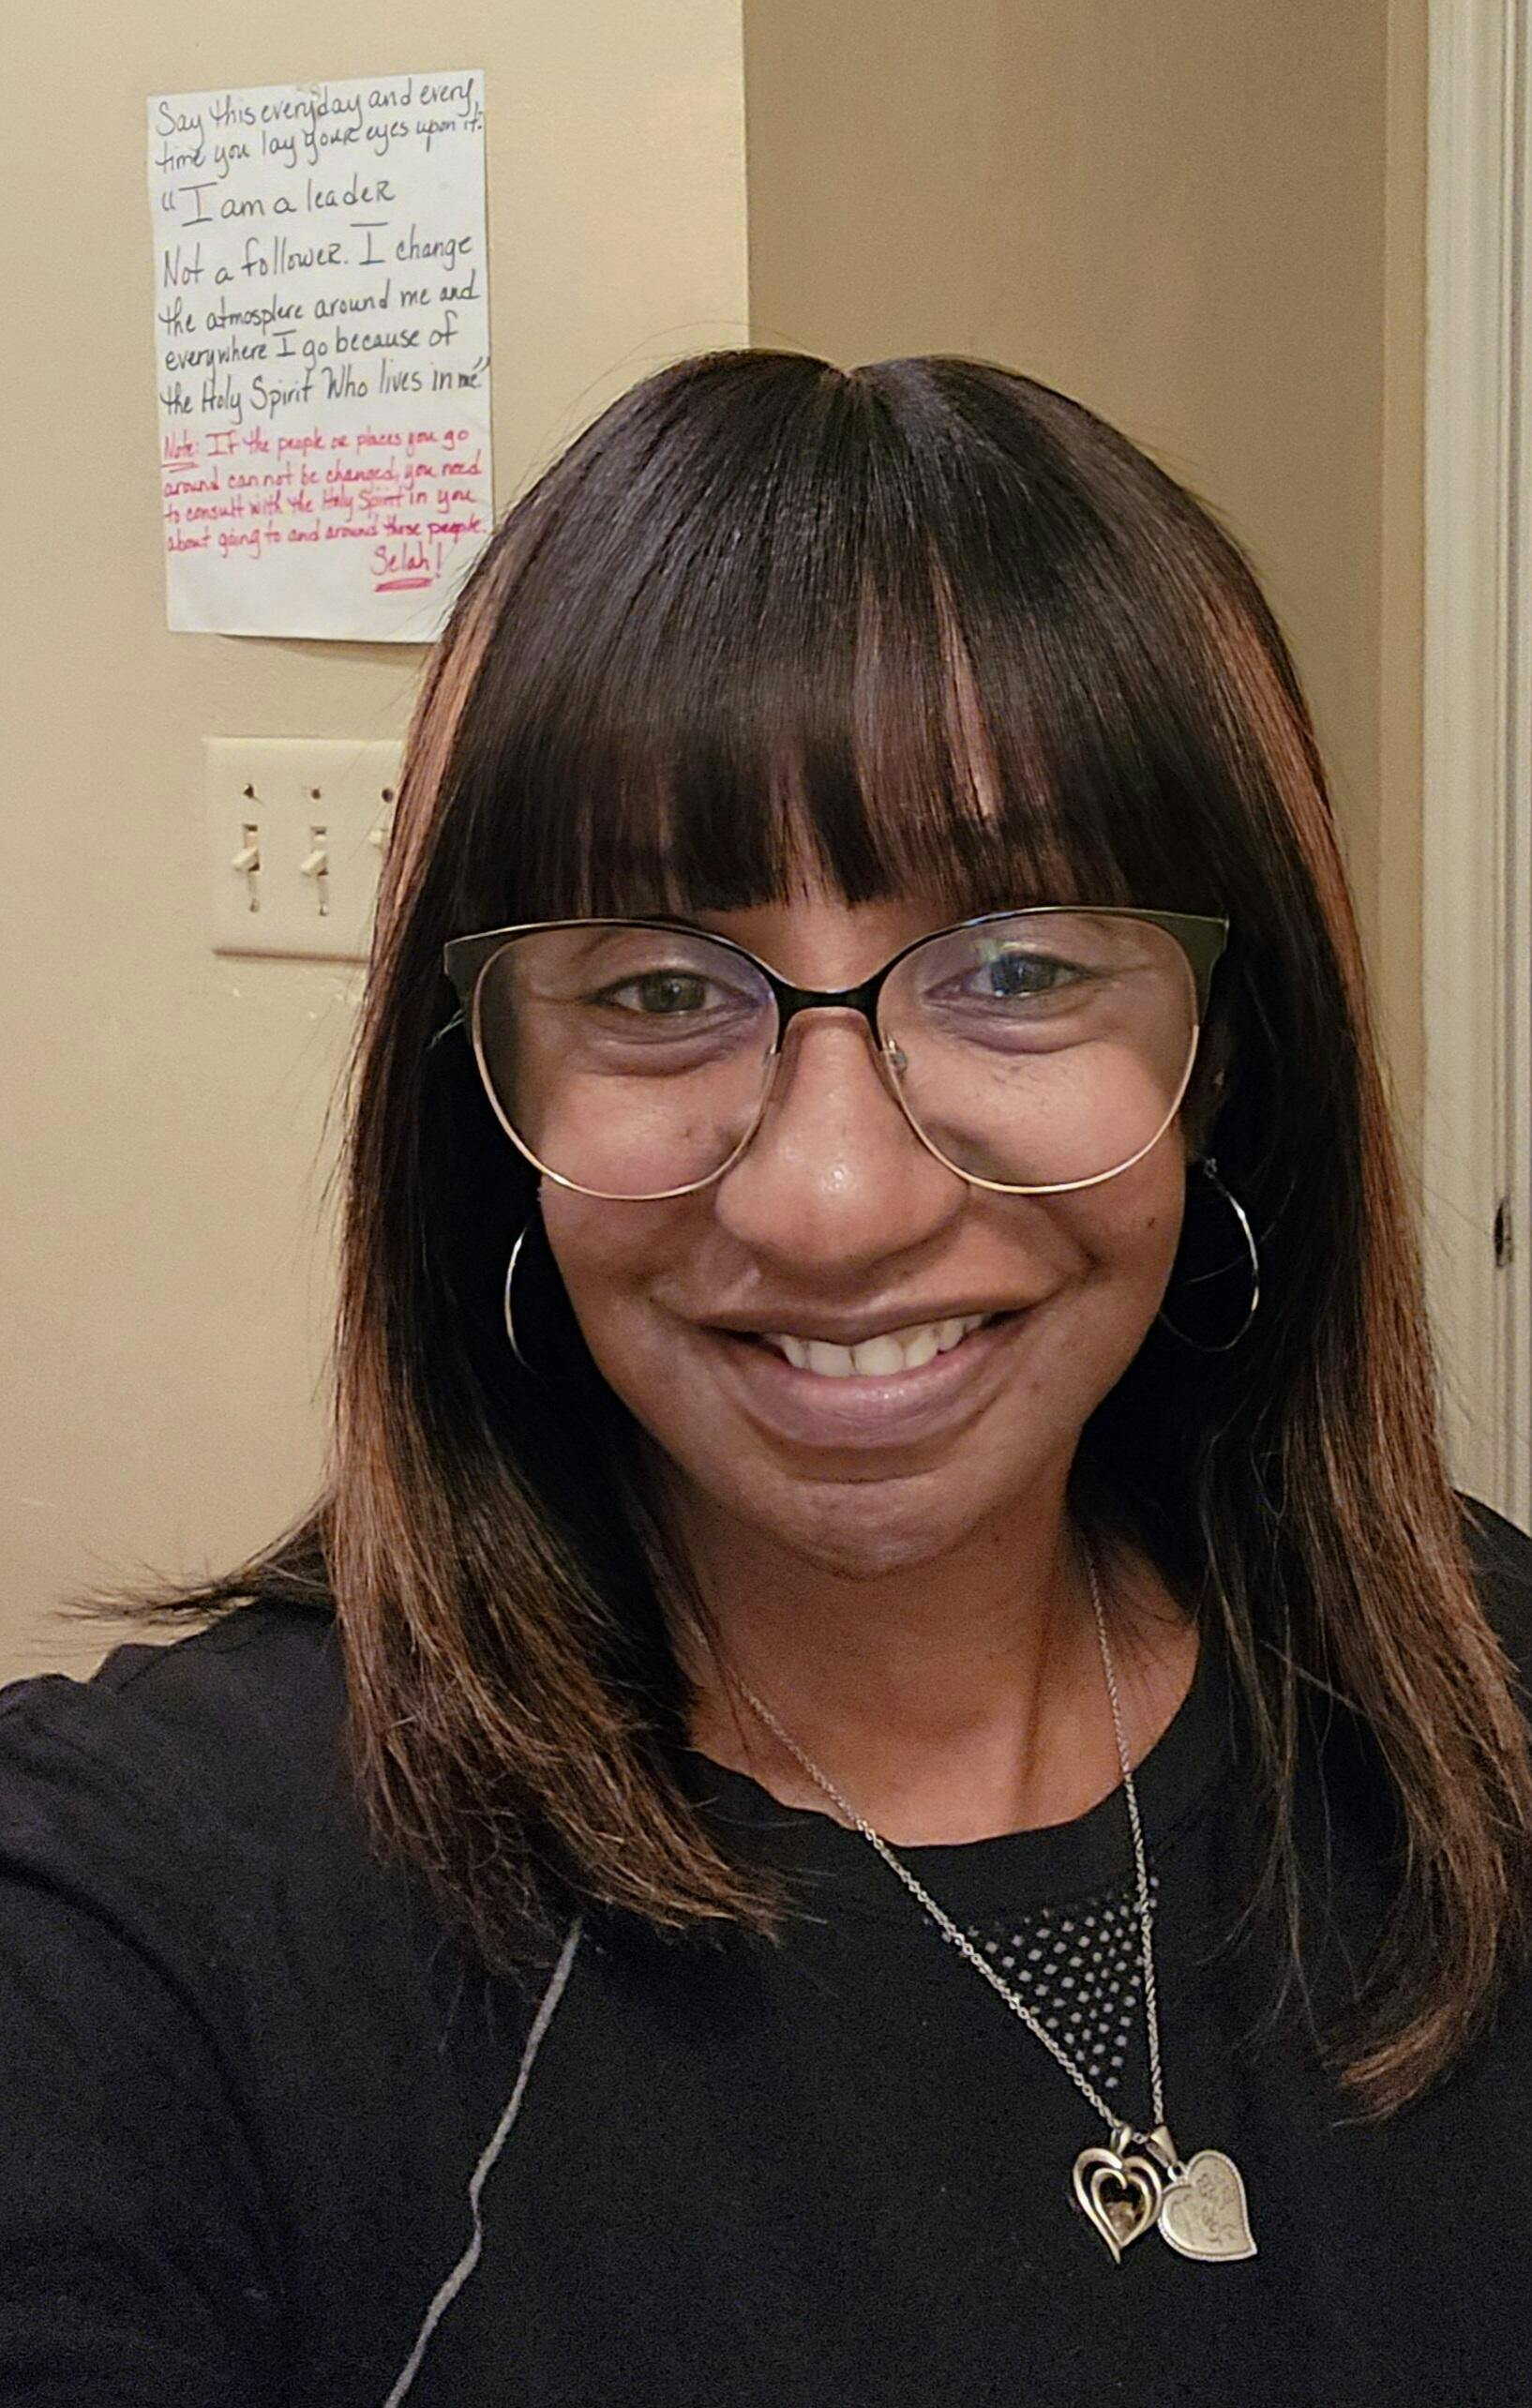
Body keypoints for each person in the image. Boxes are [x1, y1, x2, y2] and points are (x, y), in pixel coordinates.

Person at [4, 349, 1532, 2408]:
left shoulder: (1477, 1707)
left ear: (1222, 1055)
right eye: (656, 987)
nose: (831, 1201)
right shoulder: (157, 1915)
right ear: (490, 1092)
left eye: (1016, 969)